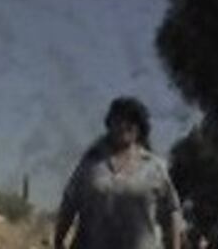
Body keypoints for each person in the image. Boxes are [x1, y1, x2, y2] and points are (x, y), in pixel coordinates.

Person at [55, 97, 183, 249]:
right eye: (118, 120)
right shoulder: (91, 163)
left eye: (131, 121)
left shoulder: (155, 167)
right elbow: (70, 203)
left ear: (140, 128)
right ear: (109, 124)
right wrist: (59, 241)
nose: (123, 125)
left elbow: (172, 210)